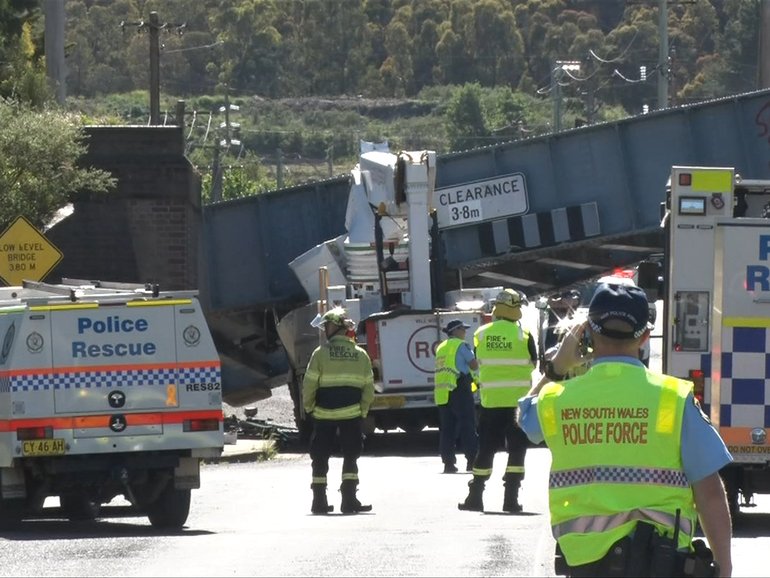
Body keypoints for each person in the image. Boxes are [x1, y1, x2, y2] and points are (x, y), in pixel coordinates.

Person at [518, 283, 733, 577]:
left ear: (587, 333)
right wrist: (725, 567)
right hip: (661, 563)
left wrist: (557, 367)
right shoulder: (673, 398)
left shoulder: (557, 398)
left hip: (585, 566)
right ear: (645, 337)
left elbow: (525, 418)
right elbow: (709, 492)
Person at [458, 288, 537, 513]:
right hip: (518, 406)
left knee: (486, 450)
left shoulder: (480, 334)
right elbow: (534, 363)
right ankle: (511, 500)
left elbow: (478, 361)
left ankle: (475, 496)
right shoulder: (525, 335)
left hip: (490, 403)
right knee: (517, 450)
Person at [303, 306, 375, 515]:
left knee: (320, 457)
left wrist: (310, 408)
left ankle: (319, 502)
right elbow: (368, 389)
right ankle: (350, 501)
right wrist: (362, 411)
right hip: (352, 415)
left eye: (327, 326)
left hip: (323, 415)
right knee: (351, 457)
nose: (325, 330)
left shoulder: (320, 354)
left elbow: (309, 385)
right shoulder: (360, 355)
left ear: (335, 327)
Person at [434, 319, 479, 474]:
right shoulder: (461, 345)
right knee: (467, 425)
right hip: (459, 388)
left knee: (447, 429)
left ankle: (448, 464)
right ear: (455, 331)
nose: (465, 332)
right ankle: (472, 461)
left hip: (443, 393)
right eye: (463, 329)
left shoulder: (441, 347)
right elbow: (474, 364)